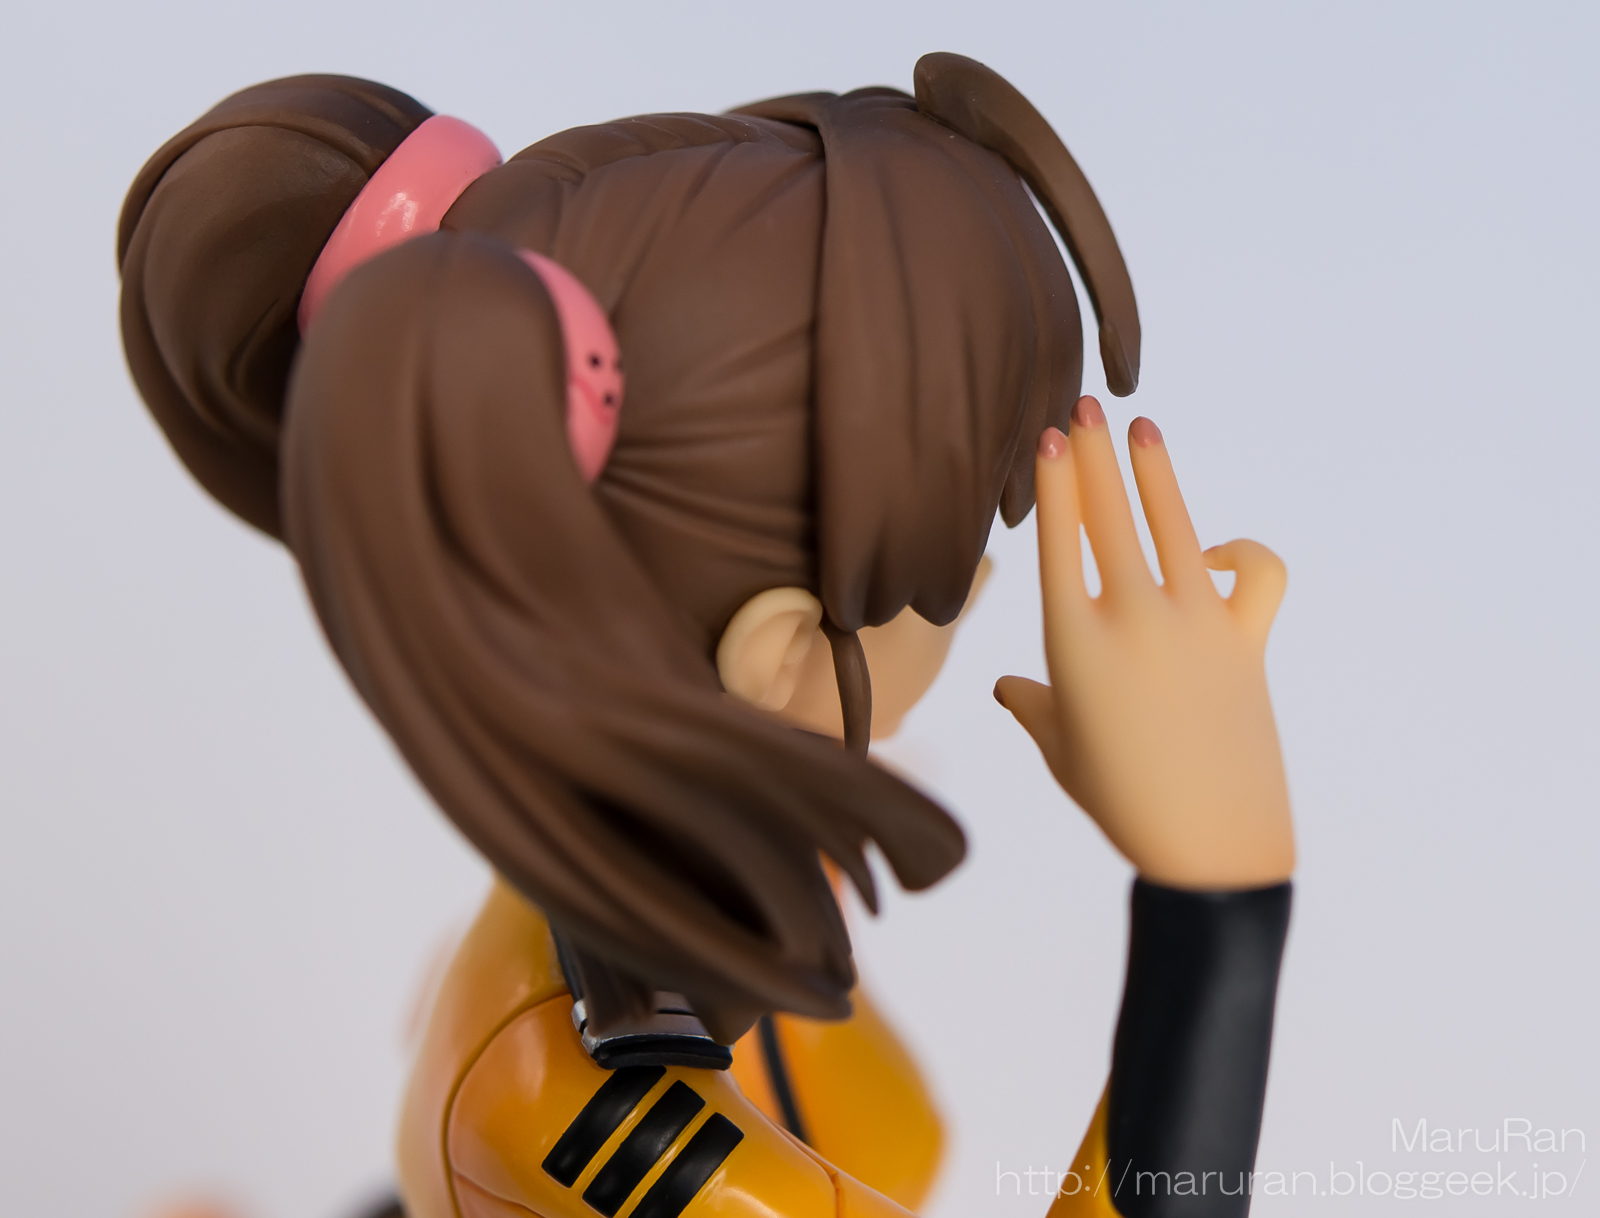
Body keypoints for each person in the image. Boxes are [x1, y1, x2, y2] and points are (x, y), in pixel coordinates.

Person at [122, 53, 1293, 1218]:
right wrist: (1214, 895)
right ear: (780, 654)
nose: (981, 584)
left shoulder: (663, 875)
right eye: (948, 560)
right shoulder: (585, 1111)